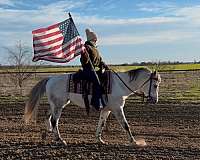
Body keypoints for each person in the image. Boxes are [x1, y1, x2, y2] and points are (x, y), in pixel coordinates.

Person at [80, 28, 108, 110]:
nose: (96, 41)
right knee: (97, 82)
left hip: (96, 69)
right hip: (88, 70)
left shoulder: (95, 48)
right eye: (95, 39)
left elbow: (100, 60)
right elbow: (84, 62)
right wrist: (85, 56)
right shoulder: (86, 47)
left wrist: (106, 66)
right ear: (92, 39)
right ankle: (96, 102)